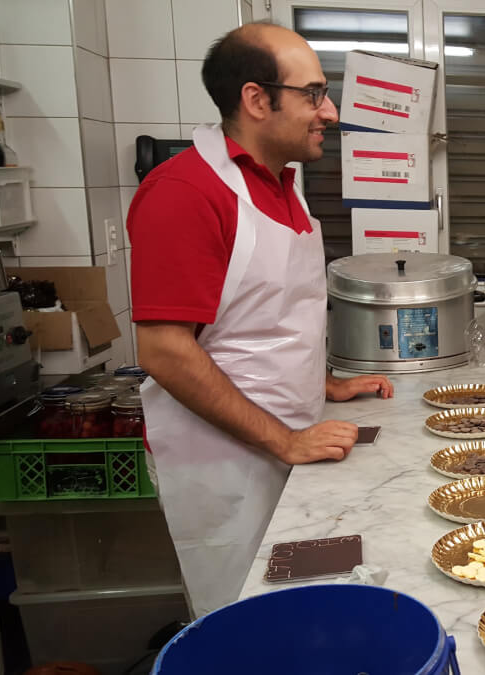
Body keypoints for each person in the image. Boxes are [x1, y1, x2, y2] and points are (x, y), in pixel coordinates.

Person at [127, 22, 393, 616]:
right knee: (249, 623)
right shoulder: (185, 192)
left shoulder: (282, 183)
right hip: (226, 464)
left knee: (307, 612)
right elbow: (165, 350)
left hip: (291, 441)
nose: (330, 112)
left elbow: (262, 315)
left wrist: (320, 383)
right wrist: (286, 440)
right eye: (313, 93)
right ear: (255, 99)